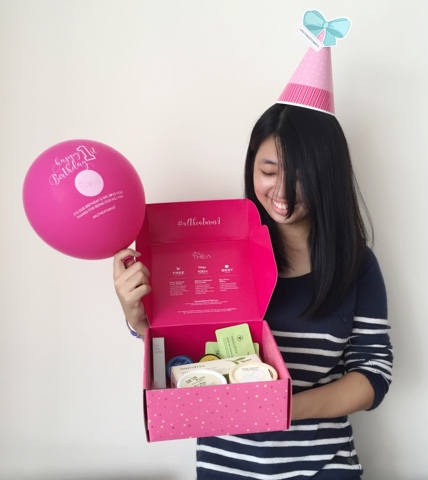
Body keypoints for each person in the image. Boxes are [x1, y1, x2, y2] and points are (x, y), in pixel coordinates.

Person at [113, 17, 393, 478]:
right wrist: (135, 315)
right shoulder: (216, 252)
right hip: (226, 466)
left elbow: (373, 374)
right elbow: (175, 345)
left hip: (323, 467)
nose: (281, 190)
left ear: (328, 177)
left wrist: (277, 407)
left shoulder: (356, 266)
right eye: (268, 170)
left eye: (300, 175)